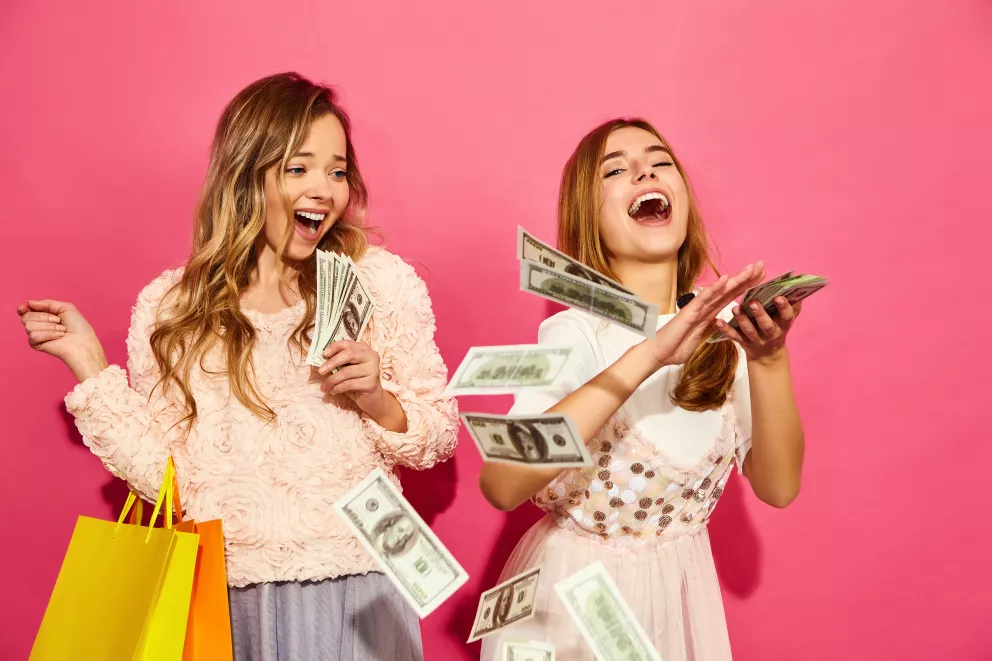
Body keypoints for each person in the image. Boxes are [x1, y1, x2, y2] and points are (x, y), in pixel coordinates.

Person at [17, 72, 459, 661]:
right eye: (298, 168)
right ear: (248, 175)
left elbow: (440, 435)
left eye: (337, 170)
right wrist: (89, 366)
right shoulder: (173, 305)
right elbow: (166, 483)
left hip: (359, 587)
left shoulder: (379, 281)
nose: (324, 189)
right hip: (226, 601)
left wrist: (377, 398)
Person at [478, 118, 806, 660]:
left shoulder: (727, 329)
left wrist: (769, 361)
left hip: (680, 598)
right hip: (575, 605)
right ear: (590, 217)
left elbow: (779, 487)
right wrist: (650, 354)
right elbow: (502, 482)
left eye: (659, 159)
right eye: (616, 169)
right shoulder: (574, 332)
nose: (644, 169)